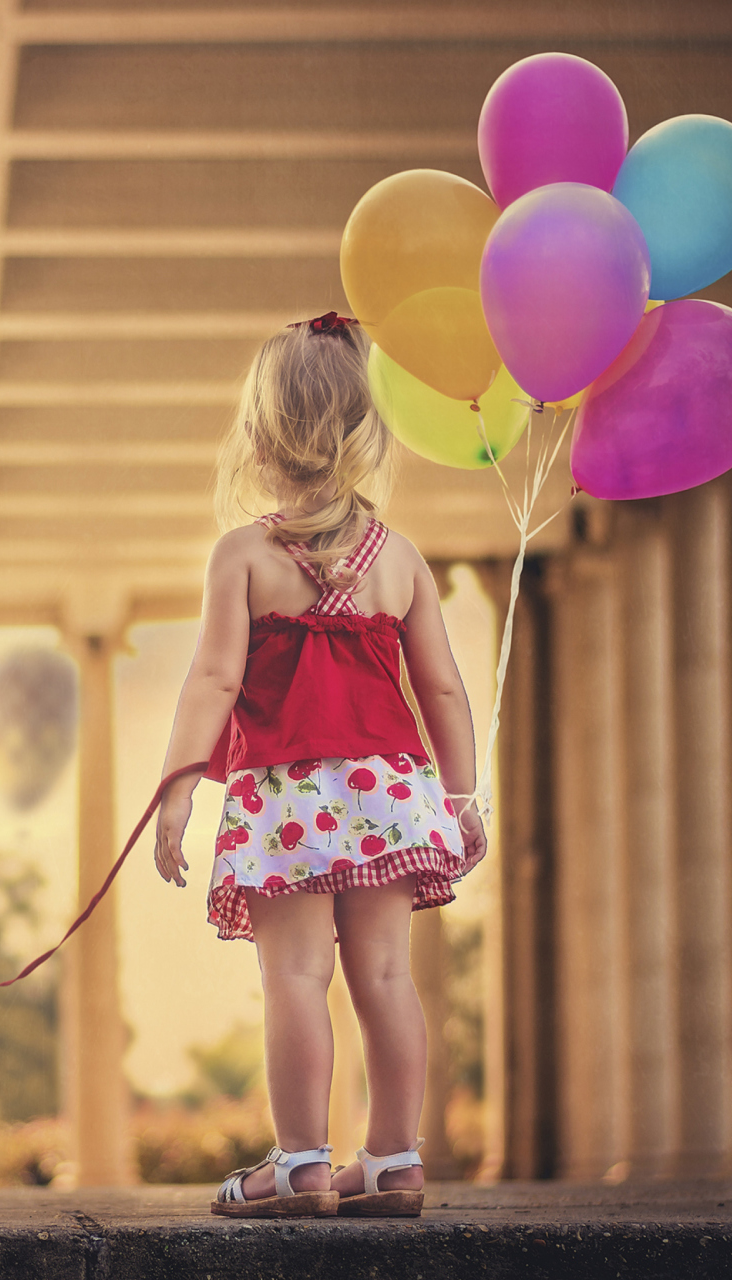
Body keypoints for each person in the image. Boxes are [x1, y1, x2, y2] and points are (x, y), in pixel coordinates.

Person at [152, 311, 487, 1219]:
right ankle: (395, 1160)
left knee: (296, 978)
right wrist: (459, 797)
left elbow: (214, 678)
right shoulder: (401, 561)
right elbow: (445, 690)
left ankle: (300, 1164)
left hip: (288, 798)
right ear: (370, 438)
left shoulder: (244, 558)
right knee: (385, 977)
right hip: (390, 793)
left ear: (259, 442)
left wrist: (179, 786)